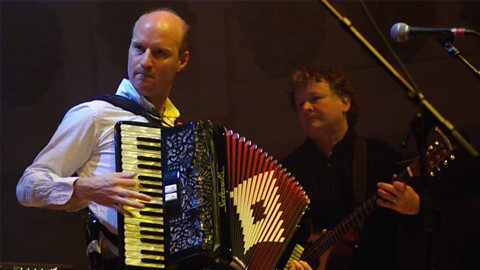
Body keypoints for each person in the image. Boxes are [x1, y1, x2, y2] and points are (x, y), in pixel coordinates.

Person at [16, 8, 190, 268]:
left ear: (182, 60)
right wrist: (87, 188)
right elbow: (27, 186)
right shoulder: (95, 115)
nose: (145, 61)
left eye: (160, 53)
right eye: (138, 48)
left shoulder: (178, 128)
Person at [281, 65, 422, 270]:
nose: (306, 108)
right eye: (300, 104)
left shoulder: (379, 156)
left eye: (315, 98)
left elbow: (423, 229)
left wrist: (415, 207)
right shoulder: (287, 171)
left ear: (344, 102)